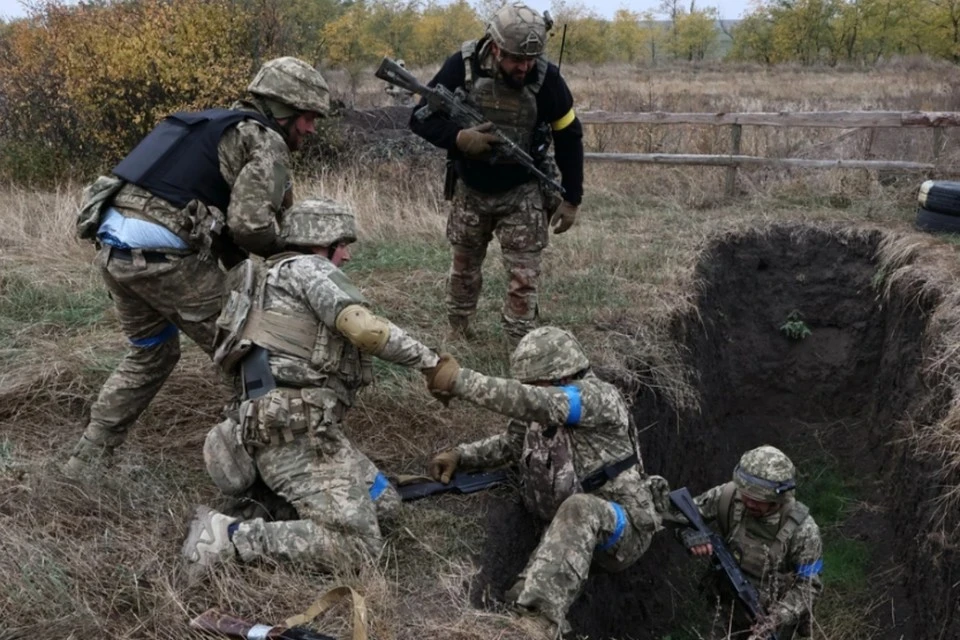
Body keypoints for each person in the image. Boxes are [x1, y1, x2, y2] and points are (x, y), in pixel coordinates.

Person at [63, 57, 330, 479]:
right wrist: (290, 258)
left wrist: (244, 272)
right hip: (165, 260)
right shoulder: (263, 137)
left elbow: (213, 219)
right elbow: (250, 224)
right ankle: (273, 474)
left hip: (115, 254)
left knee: (152, 354)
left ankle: (85, 461)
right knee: (252, 354)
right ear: (284, 110)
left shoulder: (202, 125)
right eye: (310, 118)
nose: (311, 129)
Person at [181, 199, 440, 571]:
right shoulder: (308, 269)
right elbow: (364, 328)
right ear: (320, 242)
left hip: (274, 425)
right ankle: (231, 536)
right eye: (342, 244)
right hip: (298, 434)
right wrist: (431, 362)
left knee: (385, 505)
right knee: (358, 547)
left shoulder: (262, 280)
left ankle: (273, 507)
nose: (347, 255)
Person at [423, 327, 668, 638]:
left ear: (562, 376)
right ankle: (523, 595)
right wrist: (461, 455)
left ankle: (537, 622)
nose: (531, 389)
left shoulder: (598, 397)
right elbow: (511, 444)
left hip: (623, 527)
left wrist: (459, 381)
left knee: (581, 508)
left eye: (535, 384)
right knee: (573, 510)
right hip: (563, 529)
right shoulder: (545, 405)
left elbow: (536, 402)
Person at [409, 2, 584, 344]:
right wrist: (459, 138)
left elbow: (569, 136)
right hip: (471, 189)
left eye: (530, 59)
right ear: (495, 48)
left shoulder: (547, 80)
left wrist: (572, 198)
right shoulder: (461, 67)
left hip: (521, 191)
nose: (524, 67)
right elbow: (419, 118)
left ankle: (519, 343)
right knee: (463, 269)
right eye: (516, 59)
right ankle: (458, 333)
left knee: (524, 277)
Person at [669, 446, 823, 640]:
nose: (749, 503)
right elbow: (678, 517)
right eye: (745, 495)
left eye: (758, 500)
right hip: (723, 612)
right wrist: (690, 537)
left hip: (771, 622)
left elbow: (810, 587)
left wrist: (776, 619)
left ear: (778, 498)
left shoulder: (804, 531)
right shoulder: (728, 496)